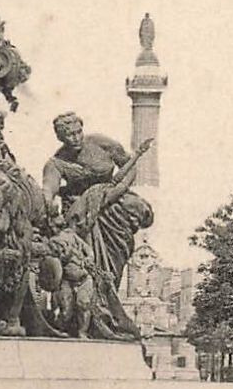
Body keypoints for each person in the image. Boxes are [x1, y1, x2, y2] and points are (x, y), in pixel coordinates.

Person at [41, 113, 154, 336]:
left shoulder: (102, 144)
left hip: (114, 203)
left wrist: (115, 192)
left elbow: (130, 166)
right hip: (84, 212)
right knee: (90, 261)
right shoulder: (57, 162)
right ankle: (96, 311)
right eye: (68, 135)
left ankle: (108, 308)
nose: (75, 138)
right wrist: (47, 199)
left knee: (118, 253)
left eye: (77, 132)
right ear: (60, 138)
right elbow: (49, 188)